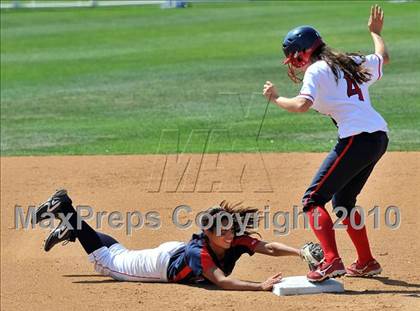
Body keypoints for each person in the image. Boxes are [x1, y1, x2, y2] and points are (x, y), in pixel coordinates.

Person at [263, 5, 389, 282]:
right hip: (378, 137)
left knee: (312, 200)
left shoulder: (316, 71)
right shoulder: (348, 61)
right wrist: (375, 33)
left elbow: (300, 105)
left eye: (293, 57)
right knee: (343, 201)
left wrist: (275, 98)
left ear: (302, 53)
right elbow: (382, 58)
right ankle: (366, 261)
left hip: (357, 138)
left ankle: (331, 261)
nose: (294, 63)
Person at [33, 189, 323, 291]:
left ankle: (74, 231)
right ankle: (65, 209)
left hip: (172, 253)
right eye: (221, 231)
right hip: (158, 264)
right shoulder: (202, 253)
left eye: (229, 229)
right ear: (208, 233)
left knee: (117, 251)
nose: (229, 234)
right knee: (107, 261)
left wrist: (299, 252)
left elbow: (265, 246)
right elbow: (221, 281)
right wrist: (260, 286)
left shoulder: (231, 239)